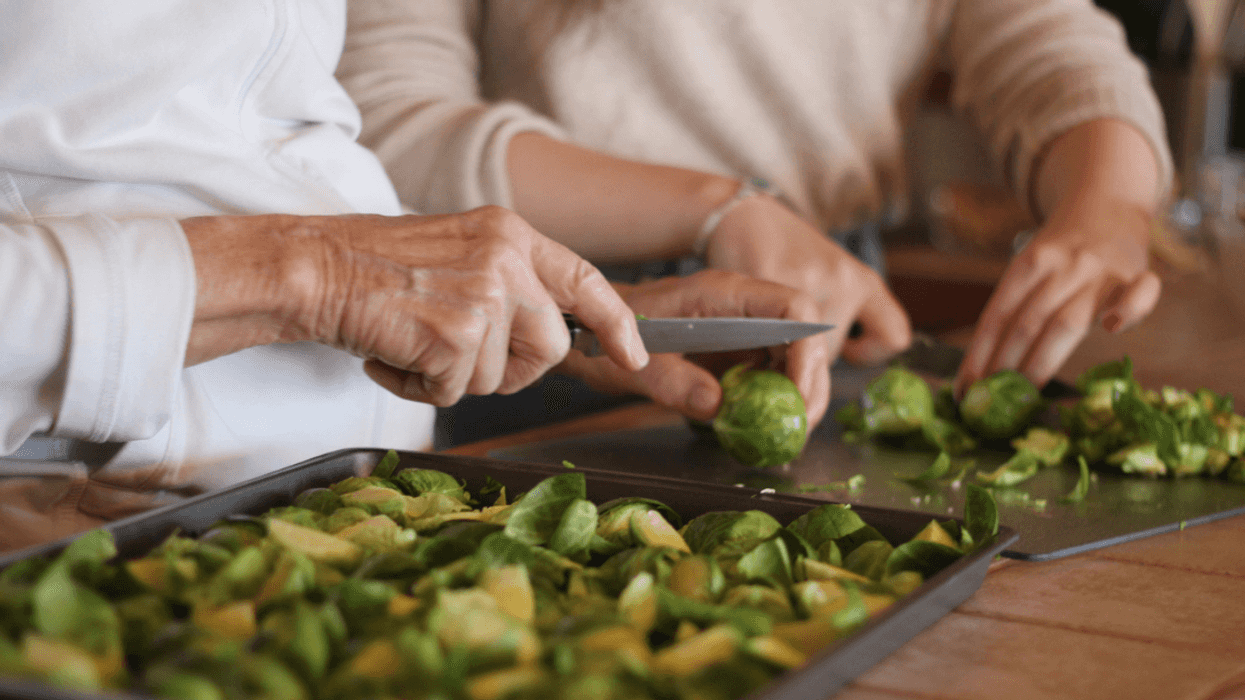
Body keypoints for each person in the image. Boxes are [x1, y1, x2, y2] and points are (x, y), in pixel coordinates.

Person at [0, 1, 829, 551]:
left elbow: (246, 147)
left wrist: (532, 318)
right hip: (85, 533)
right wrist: (316, 277)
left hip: (350, 524)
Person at [338, 0, 1172, 402]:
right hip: (537, 307)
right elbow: (392, 116)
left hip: (831, 297)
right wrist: (721, 209)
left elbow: (1052, 47)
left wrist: (1110, 210)